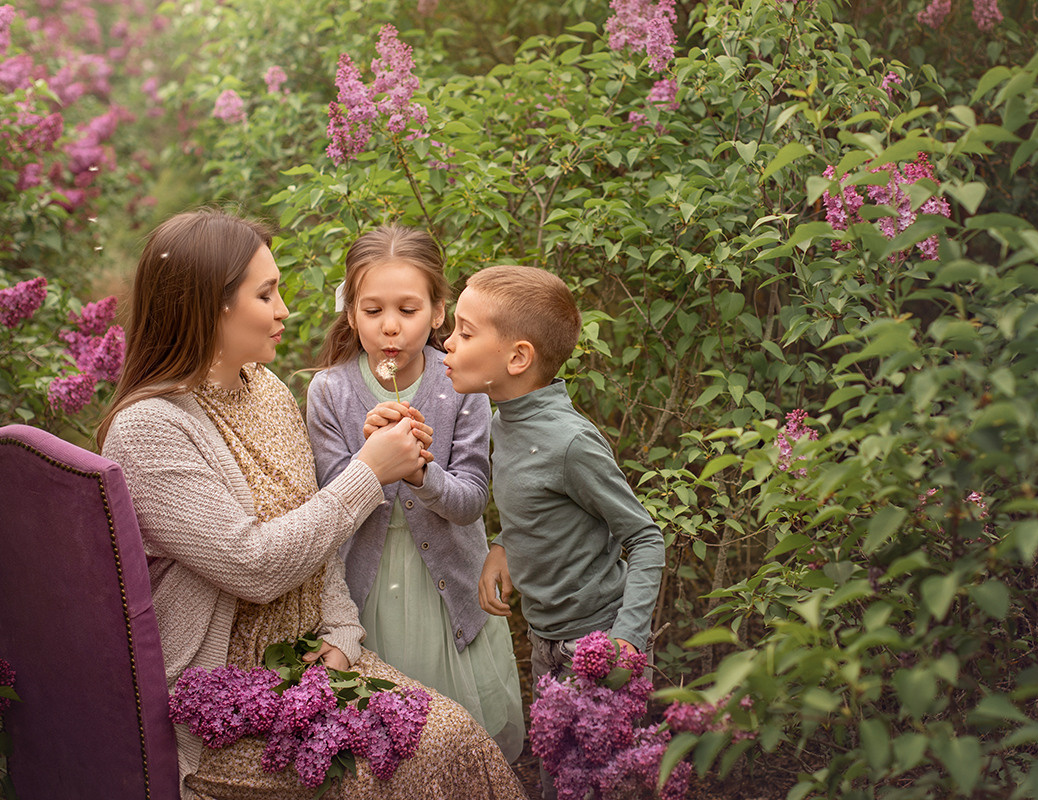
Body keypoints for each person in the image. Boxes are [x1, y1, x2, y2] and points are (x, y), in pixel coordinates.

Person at [98, 210, 527, 800]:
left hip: (318, 657)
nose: (285, 310)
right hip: (229, 690)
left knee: (459, 740)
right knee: (421, 759)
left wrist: (344, 632)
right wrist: (370, 470)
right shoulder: (150, 429)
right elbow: (252, 565)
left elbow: (317, 531)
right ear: (209, 306)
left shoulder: (265, 387)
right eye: (266, 293)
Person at [442, 264, 665, 800]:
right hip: (546, 641)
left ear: (518, 358)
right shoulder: (503, 422)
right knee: (555, 780)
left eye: (465, 332)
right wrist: (502, 544)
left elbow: (646, 538)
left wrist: (626, 640)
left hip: (599, 644)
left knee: (605, 786)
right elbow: (540, 511)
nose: (447, 342)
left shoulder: (570, 444)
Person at [306, 224, 524, 762]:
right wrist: (371, 463)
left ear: (438, 310)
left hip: (450, 582)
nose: (390, 328)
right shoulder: (329, 391)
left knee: (463, 743)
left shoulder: (461, 388)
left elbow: (472, 500)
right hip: (371, 587)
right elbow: (333, 510)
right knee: (389, 745)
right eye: (373, 310)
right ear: (351, 313)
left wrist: (419, 473)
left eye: (407, 309)